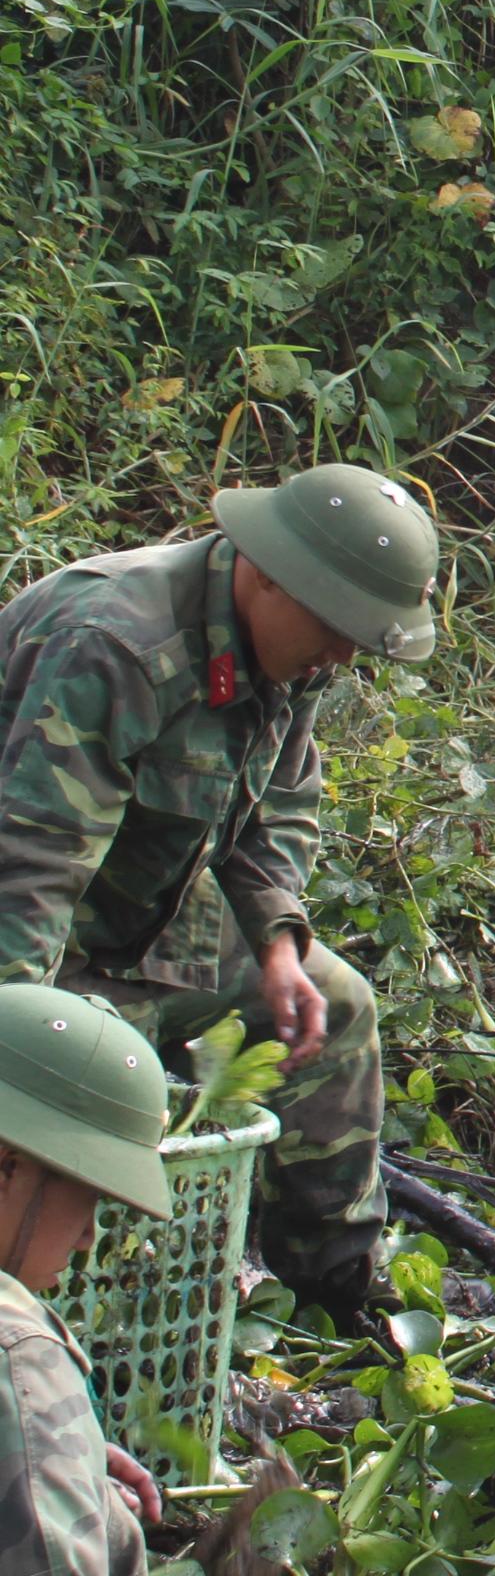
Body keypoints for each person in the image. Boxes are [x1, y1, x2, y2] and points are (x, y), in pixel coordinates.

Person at [0, 462, 436, 1324]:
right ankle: (52, 1311)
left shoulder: (293, 647)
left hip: (145, 914)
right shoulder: (116, 644)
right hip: (36, 935)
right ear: (266, 572)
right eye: (339, 627)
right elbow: (29, 872)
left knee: (335, 1004)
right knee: (88, 1082)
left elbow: (277, 805)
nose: (345, 655)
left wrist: (278, 945)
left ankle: (338, 1290)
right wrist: (33, 1059)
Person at [0, 984, 175, 1576]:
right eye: (88, 1197)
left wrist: (43, 1462)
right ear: (7, 1166)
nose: (85, 1239)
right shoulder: (19, 1356)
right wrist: (31, 1425)